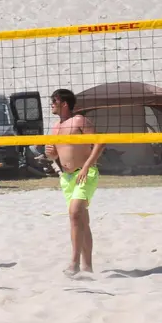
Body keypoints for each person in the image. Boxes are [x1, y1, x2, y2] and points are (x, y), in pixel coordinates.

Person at [46, 89, 103, 275]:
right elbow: (56, 154)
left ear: (64, 103)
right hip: (67, 178)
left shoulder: (79, 121)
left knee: (75, 213)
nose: (51, 104)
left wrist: (87, 166)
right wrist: (51, 154)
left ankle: (74, 263)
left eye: (54, 100)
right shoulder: (55, 127)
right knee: (81, 220)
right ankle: (88, 267)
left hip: (85, 173)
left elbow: (100, 143)